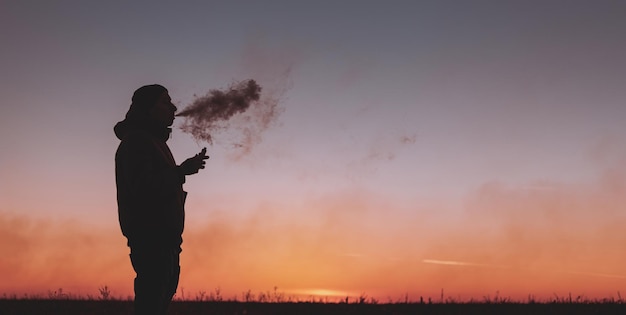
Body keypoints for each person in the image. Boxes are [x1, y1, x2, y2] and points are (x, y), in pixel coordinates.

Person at [114, 84, 209, 315]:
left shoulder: (152, 142)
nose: (173, 108)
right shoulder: (137, 141)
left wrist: (181, 172)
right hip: (152, 240)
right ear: (147, 108)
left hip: (164, 241)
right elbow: (144, 188)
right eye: (165, 102)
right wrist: (180, 172)